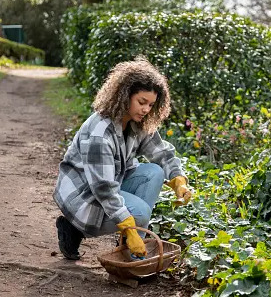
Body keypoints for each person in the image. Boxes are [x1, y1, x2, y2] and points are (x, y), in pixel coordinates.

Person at [53, 56, 192, 260]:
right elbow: (103, 188)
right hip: (84, 194)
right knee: (140, 213)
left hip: (110, 183)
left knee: (155, 172)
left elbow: (160, 152)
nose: (146, 109)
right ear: (124, 96)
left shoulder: (137, 122)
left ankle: (130, 248)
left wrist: (179, 180)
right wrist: (128, 226)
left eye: (151, 105)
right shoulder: (100, 133)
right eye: (141, 102)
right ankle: (77, 230)